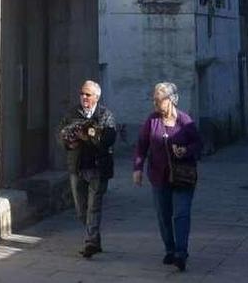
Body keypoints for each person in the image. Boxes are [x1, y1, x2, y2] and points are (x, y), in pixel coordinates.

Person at [132, 82, 203, 272]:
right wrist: (137, 168)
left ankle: (181, 253)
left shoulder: (185, 121)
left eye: (159, 99)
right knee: (163, 216)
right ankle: (170, 249)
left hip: (183, 177)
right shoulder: (152, 121)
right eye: (154, 99)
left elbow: (198, 144)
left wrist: (185, 150)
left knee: (181, 214)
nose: (155, 103)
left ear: (171, 99)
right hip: (159, 176)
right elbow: (141, 145)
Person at [58, 80, 117, 258]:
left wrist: (89, 137)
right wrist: (69, 141)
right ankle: (95, 238)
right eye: (82, 93)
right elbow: (60, 134)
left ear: (96, 97)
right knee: (81, 210)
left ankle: (90, 242)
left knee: (94, 207)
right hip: (77, 167)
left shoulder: (105, 115)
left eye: (88, 94)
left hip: (97, 169)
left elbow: (109, 139)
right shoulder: (72, 113)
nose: (84, 97)